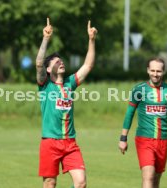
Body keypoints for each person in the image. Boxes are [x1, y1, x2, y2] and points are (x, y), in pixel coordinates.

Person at [36, 18, 97, 188]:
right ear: (49, 70)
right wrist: (46, 39)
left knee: (81, 183)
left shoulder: (70, 83)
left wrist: (91, 40)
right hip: (50, 142)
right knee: (50, 183)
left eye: (61, 60)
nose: (61, 62)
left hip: (70, 143)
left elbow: (88, 65)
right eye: (56, 62)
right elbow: (39, 63)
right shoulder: (45, 85)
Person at [118, 58, 167, 188]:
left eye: (158, 71)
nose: (155, 74)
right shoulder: (139, 90)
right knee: (149, 175)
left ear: (163, 72)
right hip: (144, 139)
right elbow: (129, 114)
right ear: (148, 70)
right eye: (152, 70)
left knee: (156, 180)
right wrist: (123, 138)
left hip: (162, 141)